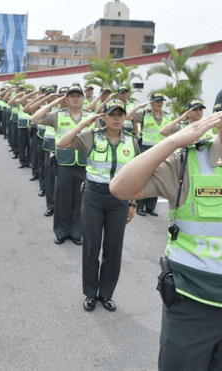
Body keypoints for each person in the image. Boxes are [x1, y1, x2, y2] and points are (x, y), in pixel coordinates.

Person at [110, 79, 222, 370]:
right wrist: (174, 141)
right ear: (219, 118)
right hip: (193, 306)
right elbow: (120, 187)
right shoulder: (189, 161)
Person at [58, 99, 139, 312]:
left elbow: (137, 176)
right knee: (91, 247)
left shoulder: (132, 141)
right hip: (94, 196)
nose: (116, 118)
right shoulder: (90, 137)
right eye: (111, 114)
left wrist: (132, 203)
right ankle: (90, 294)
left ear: (125, 117)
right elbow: (62, 143)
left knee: (113, 249)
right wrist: (84, 124)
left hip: (119, 200)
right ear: (103, 117)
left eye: (120, 114)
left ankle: (106, 294)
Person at [32, 84, 88, 245]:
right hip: (63, 162)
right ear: (66, 99)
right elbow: (34, 118)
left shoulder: (91, 117)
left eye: (78, 95)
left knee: (80, 199)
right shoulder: (58, 116)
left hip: (84, 163)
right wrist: (54, 101)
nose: (75, 98)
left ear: (83, 99)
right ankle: (61, 232)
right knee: (62, 199)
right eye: (72, 96)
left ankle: (77, 232)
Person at [130, 92, 173, 217]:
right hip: (146, 150)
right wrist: (141, 106)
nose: (160, 103)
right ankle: (140, 206)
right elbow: (127, 116)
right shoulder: (144, 114)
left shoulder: (167, 116)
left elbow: (170, 134)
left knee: (157, 178)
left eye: (161, 101)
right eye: (157, 101)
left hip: (161, 150)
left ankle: (150, 207)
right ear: (151, 102)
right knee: (144, 178)